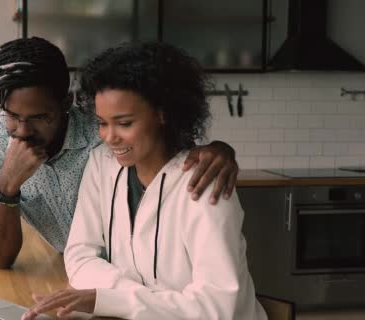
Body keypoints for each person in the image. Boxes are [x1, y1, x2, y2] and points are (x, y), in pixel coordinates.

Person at [22, 42, 266, 320]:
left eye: (124, 123)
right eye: (102, 122)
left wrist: (108, 299)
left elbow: (215, 309)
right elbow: (79, 258)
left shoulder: (206, 180)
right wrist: (124, 300)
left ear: (163, 114)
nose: (109, 137)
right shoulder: (102, 164)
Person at [0, 37, 239, 269]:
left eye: (39, 117)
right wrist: (7, 186)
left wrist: (219, 150)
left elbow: (171, 152)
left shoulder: (103, 133)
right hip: (86, 274)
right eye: (12, 116)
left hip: (137, 274)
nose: (23, 131)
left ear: (66, 103)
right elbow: (0, 258)